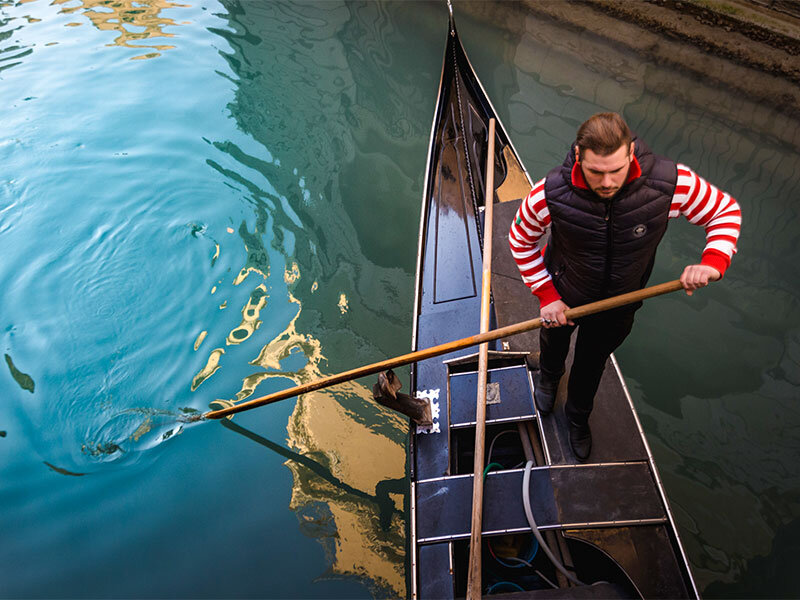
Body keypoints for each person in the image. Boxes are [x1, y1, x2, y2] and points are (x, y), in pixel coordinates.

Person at [508, 112, 741, 461]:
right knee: (553, 342)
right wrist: (547, 296)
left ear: (631, 152)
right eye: (596, 171)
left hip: (620, 303)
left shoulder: (669, 183)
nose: (606, 182)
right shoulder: (550, 193)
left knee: (591, 364)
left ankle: (577, 419)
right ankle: (548, 378)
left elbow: (724, 212)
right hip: (563, 295)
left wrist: (712, 262)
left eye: (615, 171)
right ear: (578, 155)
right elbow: (520, 239)